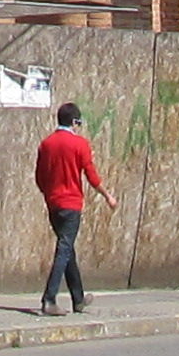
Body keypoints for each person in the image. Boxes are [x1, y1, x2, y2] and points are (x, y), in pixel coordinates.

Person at [34, 101, 113, 314]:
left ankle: (78, 298)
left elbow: (39, 177)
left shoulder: (46, 144)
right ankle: (49, 299)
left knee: (68, 249)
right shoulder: (80, 144)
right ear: (75, 121)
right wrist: (107, 196)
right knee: (64, 250)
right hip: (71, 204)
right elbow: (91, 176)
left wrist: (49, 195)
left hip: (53, 204)